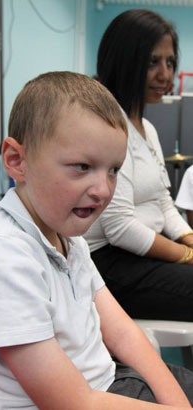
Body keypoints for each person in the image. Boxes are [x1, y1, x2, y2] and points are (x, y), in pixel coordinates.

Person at [0, 71, 193, 410]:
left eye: (113, 170)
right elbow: (73, 402)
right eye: (82, 166)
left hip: (109, 384)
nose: (103, 190)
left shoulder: (68, 234)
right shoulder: (4, 255)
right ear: (17, 161)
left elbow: (122, 332)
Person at [84, 9, 193, 321]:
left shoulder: (148, 129)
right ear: (124, 60)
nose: (165, 75)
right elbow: (119, 228)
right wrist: (186, 255)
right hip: (109, 263)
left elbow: (163, 203)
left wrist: (189, 240)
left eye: (170, 62)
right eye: (152, 62)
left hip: (144, 253)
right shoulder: (106, 125)